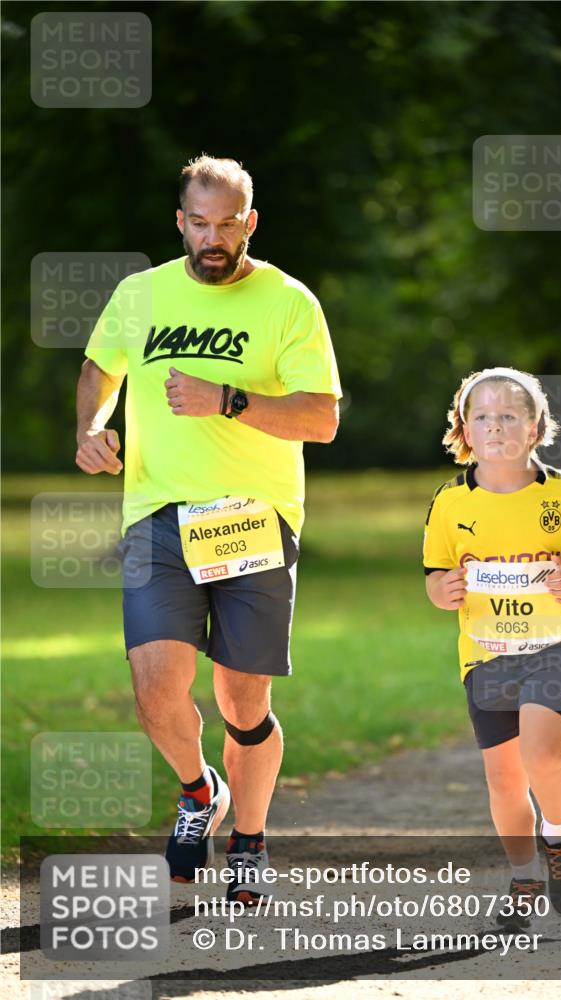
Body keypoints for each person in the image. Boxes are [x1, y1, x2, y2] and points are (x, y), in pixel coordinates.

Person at [75, 155, 341, 901]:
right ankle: (199, 792)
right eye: (200, 223)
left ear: (249, 222)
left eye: (228, 223)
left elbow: (320, 418)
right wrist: (89, 426)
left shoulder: (287, 302)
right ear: (180, 222)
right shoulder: (141, 292)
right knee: (156, 688)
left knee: (242, 700)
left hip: (253, 522)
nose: (213, 237)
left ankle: (249, 836)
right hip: (157, 517)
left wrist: (227, 398)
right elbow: (100, 370)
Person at [423, 367, 561, 928]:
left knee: (539, 752)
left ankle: (559, 836)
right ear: (464, 429)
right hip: (486, 651)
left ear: (535, 428)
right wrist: (443, 590)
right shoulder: (450, 504)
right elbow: (436, 575)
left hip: (558, 643)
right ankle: (524, 875)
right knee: (504, 779)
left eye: (510, 415)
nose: (496, 425)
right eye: (482, 416)